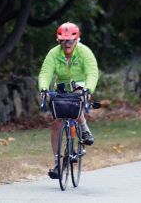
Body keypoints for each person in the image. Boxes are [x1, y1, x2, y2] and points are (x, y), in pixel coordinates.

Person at [38, 22, 99, 179]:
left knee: (76, 101)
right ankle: (58, 162)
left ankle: (84, 127)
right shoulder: (54, 53)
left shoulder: (85, 52)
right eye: (63, 41)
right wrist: (43, 88)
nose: (67, 44)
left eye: (70, 41)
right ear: (59, 40)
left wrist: (89, 89)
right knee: (57, 122)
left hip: (80, 85)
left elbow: (92, 72)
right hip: (62, 86)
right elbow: (45, 73)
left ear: (76, 40)